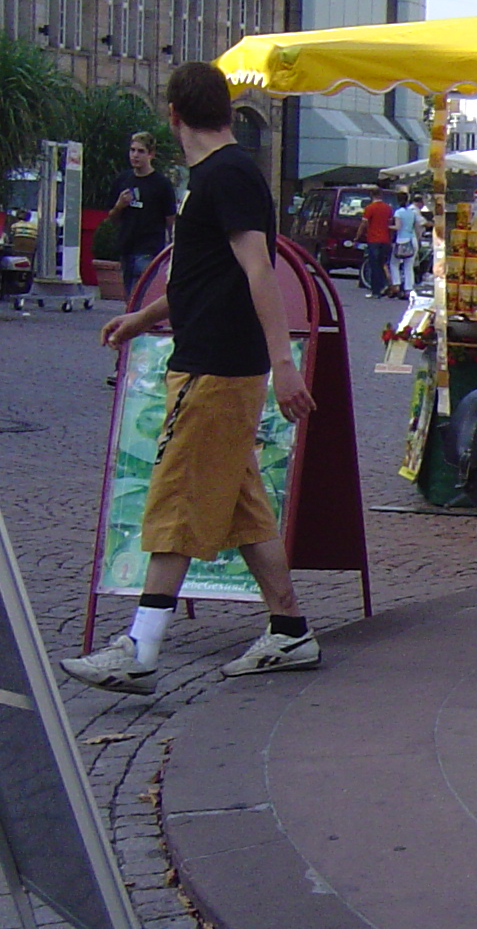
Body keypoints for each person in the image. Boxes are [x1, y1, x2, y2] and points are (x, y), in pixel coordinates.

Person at [63, 62, 321, 696]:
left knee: (176, 496)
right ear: (226, 111)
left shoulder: (225, 176)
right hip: (215, 363)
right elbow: (202, 274)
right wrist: (142, 317)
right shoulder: (217, 177)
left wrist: (284, 363)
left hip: (215, 369)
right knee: (243, 507)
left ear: (172, 115)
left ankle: (141, 647)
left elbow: (259, 270)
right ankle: (289, 628)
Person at [108, 132, 178, 300]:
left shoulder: (161, 184)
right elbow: (112, 218)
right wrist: (119, 206)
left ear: (150, 154)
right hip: (127, 247)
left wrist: (172, 249)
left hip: (149, 249)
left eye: (140, 151)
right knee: (129, 299)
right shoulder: (123, 180)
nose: (135, 155)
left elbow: (171, 220)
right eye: (132, 150)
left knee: (140, 298)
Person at [359, 190, 394, 297]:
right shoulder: (388, 208)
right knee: (382, 264)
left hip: (373, 239)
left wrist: (357, 236)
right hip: (386, 239)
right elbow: (390, 223)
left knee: (374, 266)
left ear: (372, 196)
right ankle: (383, 286)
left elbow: (363, 224)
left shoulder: (369, 208)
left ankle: (375, 291)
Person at [390, 191, 419, 296]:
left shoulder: (398, 212)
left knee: (394, 263)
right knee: (409, 265)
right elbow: (416, 227)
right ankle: (408, 288)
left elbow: (397, 227)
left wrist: (388, 227)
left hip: (401, 240)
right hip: (413, 240)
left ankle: (396, 284)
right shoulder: (412, 212)